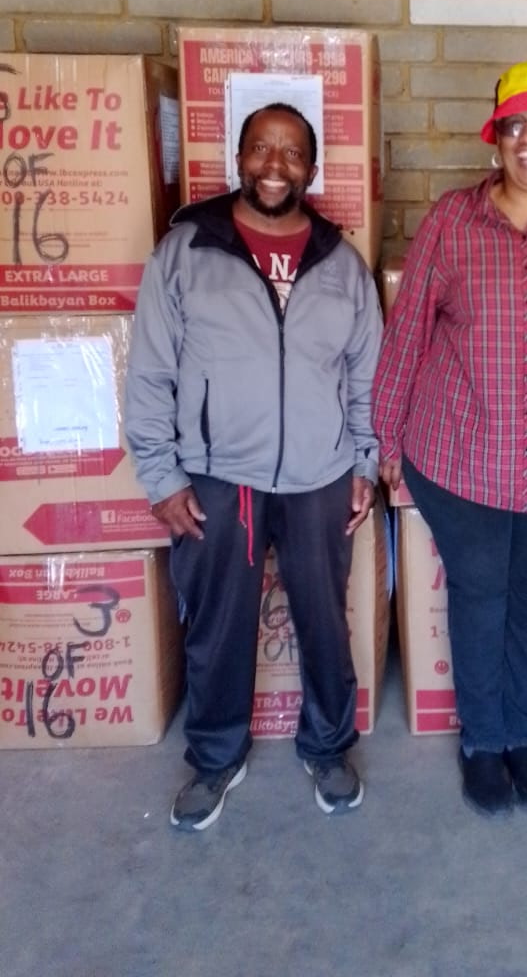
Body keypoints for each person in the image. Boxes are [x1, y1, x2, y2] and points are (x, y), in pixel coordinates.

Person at [125, 102, 382, 831]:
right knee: (218, 623)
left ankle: (328, 746)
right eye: (262, 149)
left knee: (324, 621)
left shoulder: (339, 258)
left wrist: (364, 460)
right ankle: (214, 757)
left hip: (319, 473)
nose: (276, 165)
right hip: (216, 473)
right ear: (239, 159)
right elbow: (150, 371)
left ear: (312, 167)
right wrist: (163, 476)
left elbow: (367, 373)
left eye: (293, 152)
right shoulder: (188, 249)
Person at [373, 62, 527, 817]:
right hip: (462, 455)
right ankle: (481, 741)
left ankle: (523, 736)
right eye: (516, 125)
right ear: (496, 136)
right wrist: (385, 442)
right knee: (479, 596)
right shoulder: (450, 221)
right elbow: (407, 333)